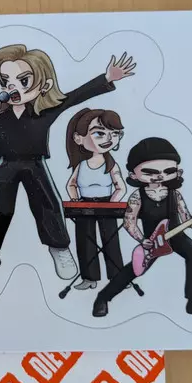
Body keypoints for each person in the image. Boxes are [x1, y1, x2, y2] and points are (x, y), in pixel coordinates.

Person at [0, 45, 136, 283]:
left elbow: (75, 96)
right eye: (5, 81)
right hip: (5, 164)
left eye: (23, 81)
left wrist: (107, 79)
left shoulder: (43, 111)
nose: (12, 88)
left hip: (35, 163)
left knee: (48, 204)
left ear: (43, 85)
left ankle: (59, 248)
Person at [92, 137, 192, 322]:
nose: (159, 176)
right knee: (134, 269)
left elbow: (186, 218)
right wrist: (142, 240)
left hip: (176, 236)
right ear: (134, 175)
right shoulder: (137, 196)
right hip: (152, 240)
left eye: (168, 171)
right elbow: (129, 222)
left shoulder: (175, 194)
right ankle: (103, 298)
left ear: (177, 172)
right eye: (150, 172)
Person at [65, 108, 126, 290]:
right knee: (85, 241)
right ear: (78, 138)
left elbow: (121, 187)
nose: (108, 139)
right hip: (83, 204)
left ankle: (117, 277)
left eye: (114, 134)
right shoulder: (81, 165)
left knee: (111, 241)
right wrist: (75, 200)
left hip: (107, 204)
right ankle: (89, 278)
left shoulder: (111, 165)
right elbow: (71, 184)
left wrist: (112, 204)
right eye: (99, 133)